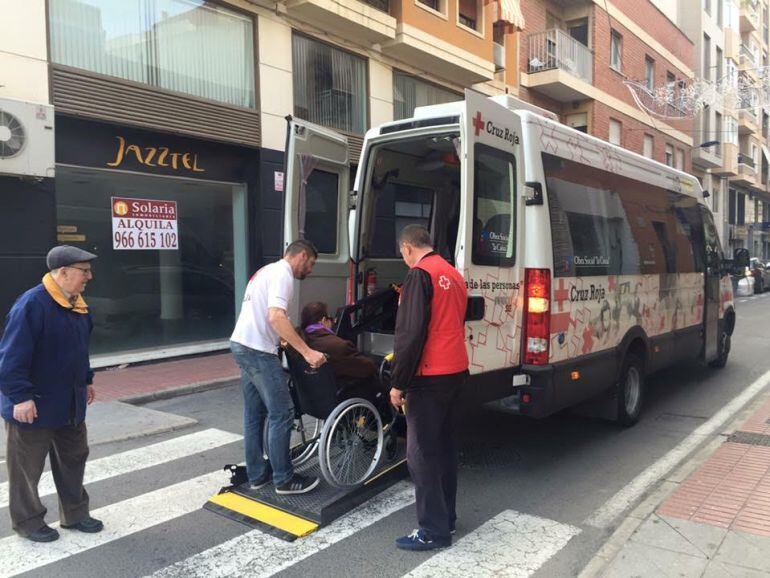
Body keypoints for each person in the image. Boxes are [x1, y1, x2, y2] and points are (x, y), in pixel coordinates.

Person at [0, 245, 103, 542]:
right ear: (63, 272)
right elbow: (11, 358)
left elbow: (79, 350)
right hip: (34, 404)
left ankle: (75, 514)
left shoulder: (78, 304)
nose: (89, 277)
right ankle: (28, 522)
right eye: (84, 271)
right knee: (26, 469)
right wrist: (20, 397)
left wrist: (86, 380)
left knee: (74, 458)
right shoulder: (31, 305)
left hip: (69, 403)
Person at [390, 224, 468, 551]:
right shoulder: (454, 274)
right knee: (445, 449)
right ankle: (446, 518)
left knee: (421, 454)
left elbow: (410, 336)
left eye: (403, 254)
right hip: (457, 371)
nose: (405, 260)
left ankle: (432, 531)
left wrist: (398, 383)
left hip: (429, 375)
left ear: (408, 248)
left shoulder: (419, 275)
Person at [230, 240, 327, 495]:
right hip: (258, 351)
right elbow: (275, 316)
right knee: (282, 413)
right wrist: (307, 352)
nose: (311, 270)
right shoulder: (283, 274)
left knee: (254, 415)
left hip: (241, 344)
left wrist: (286, 338)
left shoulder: (266, 271)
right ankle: (284, 479)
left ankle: (257, 476)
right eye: (312, 264)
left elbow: (268, 316)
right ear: (302, 256)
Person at [299, 301, 378, 394]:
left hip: (310, 396)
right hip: (339, 395)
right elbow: (367, 367)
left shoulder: (299, 343)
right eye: (330, 319)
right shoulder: (338, 346)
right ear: (323, 320)